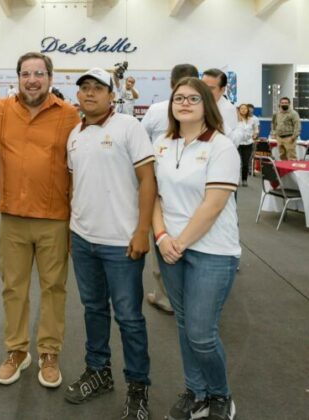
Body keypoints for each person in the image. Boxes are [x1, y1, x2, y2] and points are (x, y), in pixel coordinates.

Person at [64, 68, 155, 419]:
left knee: (130, 318)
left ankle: (138, 386)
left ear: (111, 94)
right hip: (83, 239)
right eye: (84, 88)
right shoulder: (74, 134)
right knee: (94, 309)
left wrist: (142, 230)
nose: (89, 93)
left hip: (122, 243)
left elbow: (148, 180)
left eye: (97, 88)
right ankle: (98, 371)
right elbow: (75, 185)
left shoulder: (128, 127)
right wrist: (72, 231)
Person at [152, 77, 240, 420]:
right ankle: (196, 393)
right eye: (179, 98)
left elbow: (213, 205)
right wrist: (162, 237)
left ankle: (220, 395)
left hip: (212, 252)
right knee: (185, 325)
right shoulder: (162, 143)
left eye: (193, 98)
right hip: (170, 248)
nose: (184, 103)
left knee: (202, 333)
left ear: (207, 105)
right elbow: (154, 196)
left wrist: (180, 243)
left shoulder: (221, 147)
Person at [0, 52, 79, 388]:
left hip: (54, 218)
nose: (32, 80)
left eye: (39, 74)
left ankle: (49, 352)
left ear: (50, 78)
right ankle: (16, 350)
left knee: (54, 288)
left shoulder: (69, 115)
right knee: (13, 287)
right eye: (26, 74)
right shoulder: (0, 111)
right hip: (12, 216)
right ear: (17, 78)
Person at [141, 63, 199, 315]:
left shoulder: (156, 110)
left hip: (165, 189)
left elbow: (140, 143)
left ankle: (168, 296)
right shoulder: (210, 112)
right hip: (184, 190)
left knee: (164, 239)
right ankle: (182, 295)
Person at [202, 69, 241, 147]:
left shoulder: (227, 109)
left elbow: (232, 141)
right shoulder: (199, 102)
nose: (205, 91)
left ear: (222, 90)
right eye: (203, 86)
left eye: (211, 88)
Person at [236, 104, 259, 186]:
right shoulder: (235, 119)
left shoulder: (252, 120)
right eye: (241, 108)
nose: (243, 110)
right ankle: (236, 180)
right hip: (237, 143)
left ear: (247, 110)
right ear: (239, 110)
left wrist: (255, 134)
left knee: (245, 163)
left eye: (245, 108)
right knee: (237, 162)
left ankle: (244, 180)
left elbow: (256, 129)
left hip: (248, 143)